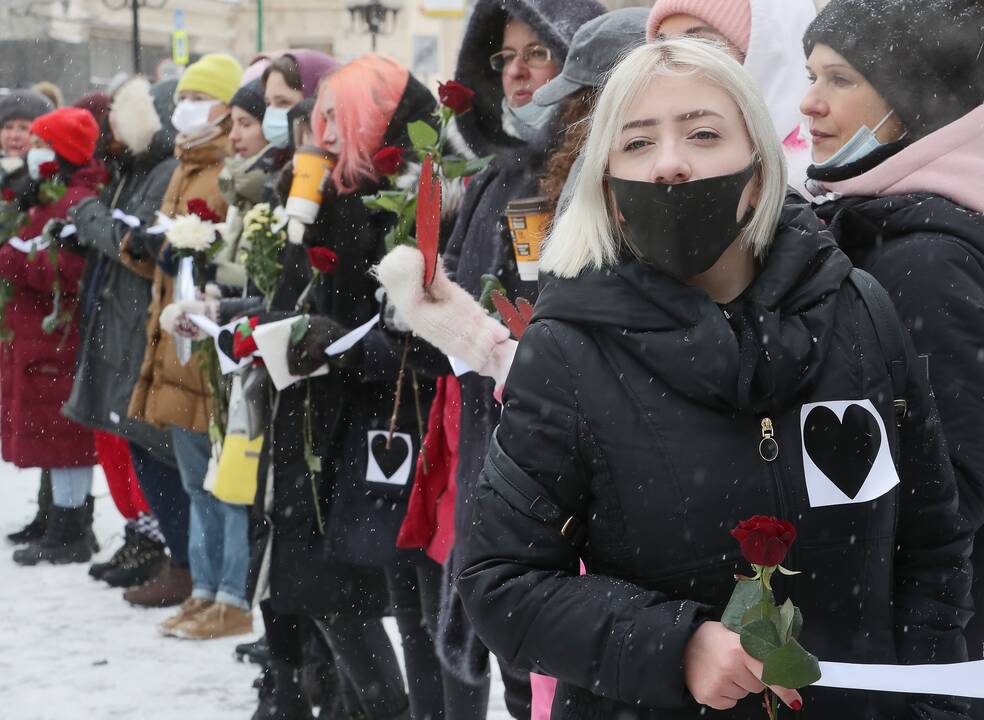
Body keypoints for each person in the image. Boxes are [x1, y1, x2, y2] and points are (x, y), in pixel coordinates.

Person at [455, 38, 972, 719]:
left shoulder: (861, 312)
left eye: (703, 133)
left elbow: (930, 544)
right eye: (638, 143)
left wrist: (932, 705)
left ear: (758, 172)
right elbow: (502, 583)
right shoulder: (565, 353)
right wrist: (676, 646)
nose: (671, 164)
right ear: (609, 192)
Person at [375, 3, 605, 717]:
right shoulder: (496, 178)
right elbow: (457, 312)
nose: (519, 73)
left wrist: (488, 344)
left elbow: (584, 343)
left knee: (555, 676)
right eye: (506, 58)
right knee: (508, 671)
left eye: (539, 53)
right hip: (480, 453)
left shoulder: (597, 178)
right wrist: (412, 313)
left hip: (561, 478)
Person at [798, 1, 984, 716]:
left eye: (840, 80)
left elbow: (955, 494)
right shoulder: (884, 227)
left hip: (929, 657)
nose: (808, 104)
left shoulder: (925, 260)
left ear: (910, 104)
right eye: (811, 75)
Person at [121, 54, 244, 620]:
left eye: (201, 98)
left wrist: (198, 252)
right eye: (184, 97)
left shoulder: (228, 168)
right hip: (172, 339)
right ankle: (204, 588)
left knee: (224, 481)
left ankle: (229, 594)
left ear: (226, 108)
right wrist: (148, 247)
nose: (185, 108)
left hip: (207, 343)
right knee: (197, 481)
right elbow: (168, 263)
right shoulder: (182, 164)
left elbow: (235, 257)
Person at [64, 76, 182, 590]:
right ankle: (145, 534)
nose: (113, 129)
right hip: (120, 319)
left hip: (140, 322)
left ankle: (164, 545)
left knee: (149, 445)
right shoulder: (136, 168)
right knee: (122, 437)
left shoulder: (162, 171)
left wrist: (89, 218)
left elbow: (139, 248)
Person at [0, 106, 108, 566]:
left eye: (43, 142)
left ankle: (71, 527)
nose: (33, 149)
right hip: (41, 332)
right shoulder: (48, 193)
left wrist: (9, 259)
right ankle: (55, 516)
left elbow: (67, 271)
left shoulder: (76, 199)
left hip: (60, 333)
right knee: (48, 430)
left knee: (65, 436)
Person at [646, 0, 816, 192]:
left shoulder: (822, 196)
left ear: (766, 60)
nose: (671, 67)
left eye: (701, 46)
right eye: (663, 48)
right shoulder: (642, 172)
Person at [1, 89, 55, 547]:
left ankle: (58, 512)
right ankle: (46, 510)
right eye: (10, 127)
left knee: (44, 414)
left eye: (25, 128)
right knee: (24, 412)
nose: (16, 136)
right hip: (10, 315)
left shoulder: (43, 182)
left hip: (36, 315)